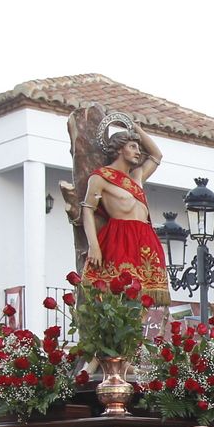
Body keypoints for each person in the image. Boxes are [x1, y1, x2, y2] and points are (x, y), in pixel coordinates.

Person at [80, 122, 169, 305]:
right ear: (120, 149)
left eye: (138, 147)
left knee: (145, 298)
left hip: (146, 239)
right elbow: (88, 209)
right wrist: (93, 246)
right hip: (120, 238)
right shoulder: (101, 177)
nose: (138, 152)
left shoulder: (137, 176)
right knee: (120, 294)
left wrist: (136, 128)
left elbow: (156, 155)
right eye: (132, 146)